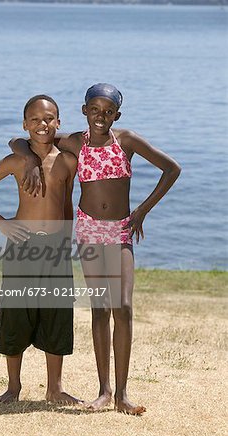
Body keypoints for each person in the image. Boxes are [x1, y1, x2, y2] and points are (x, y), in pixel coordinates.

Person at [9, 83, 181, 414]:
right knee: (100, 308)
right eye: (95, 110)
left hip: (119, 230)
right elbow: (21, 139)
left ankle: (123, 394)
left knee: (124, 306)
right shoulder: (76, 141)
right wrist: (28, 158)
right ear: (85, 110)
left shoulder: (126, 140)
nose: (101, 117)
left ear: (117, 115)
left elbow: (171, 168)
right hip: (88, 230)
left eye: (108, 112)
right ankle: (104, 392)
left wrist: (143, 210)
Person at [0, 94, 79, 404]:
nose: (42, 124)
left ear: (58, 123)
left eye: (48, 119)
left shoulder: (68, 161)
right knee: (16, 313)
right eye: (35, 119)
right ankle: (13, 387)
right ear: (25, 124)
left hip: (56, 249)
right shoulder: (17, 160)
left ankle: (54, 389)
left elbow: (67, 202)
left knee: (57, 315)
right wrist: (2, 224)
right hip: (22, 248)